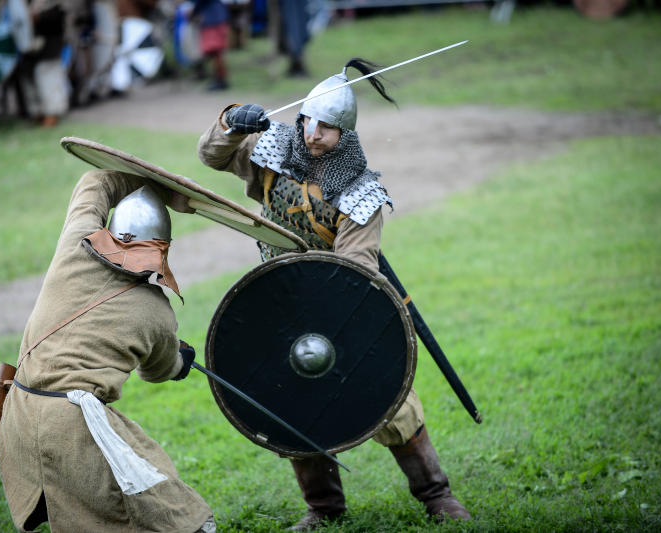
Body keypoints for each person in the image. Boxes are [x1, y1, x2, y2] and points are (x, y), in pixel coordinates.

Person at [196, 58, 471, 530]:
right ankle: (323, 508)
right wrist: (230, 123)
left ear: (346, 133)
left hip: (341, 307)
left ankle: (436, 494)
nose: (313, 133)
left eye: (327, 126)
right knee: (290, 396)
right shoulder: (274, 150)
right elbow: (212, 156)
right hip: (279, 298)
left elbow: (354, 272)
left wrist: (333, 312)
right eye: (309, 121)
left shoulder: (359, 194)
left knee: (388, 398)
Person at [0, 168, 216, 533]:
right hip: (73, 427)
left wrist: (158, 189)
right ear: (160, 248)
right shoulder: (155, 311)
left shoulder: (74, 243)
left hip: (16, 416)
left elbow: (94, 182)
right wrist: (180, 361)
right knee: (177, 516)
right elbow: (158, 369)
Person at [191, 0, 230, 90]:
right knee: (217, 53)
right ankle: (219, 79)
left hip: (212, 22)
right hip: (218, 19)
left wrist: (193, 12)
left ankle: (220, 80)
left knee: (215, 52)